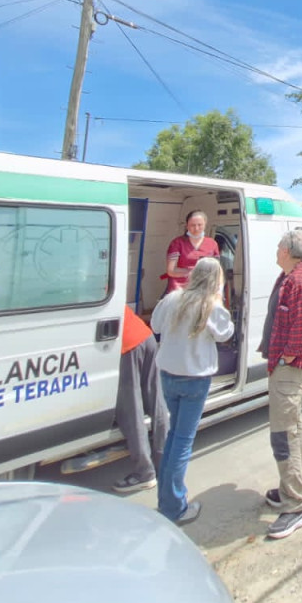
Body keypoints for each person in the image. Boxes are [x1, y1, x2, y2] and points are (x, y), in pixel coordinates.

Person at [150, 258, 234, 524]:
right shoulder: (211, 306)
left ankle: (166, 500)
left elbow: (155, 325)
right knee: (182, 442)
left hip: (168, 376)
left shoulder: (172, 299)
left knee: (173, 437)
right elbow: (226, 333)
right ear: (215, 281)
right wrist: (219, 299)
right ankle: (174, 507)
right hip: (195, 380)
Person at [259, 229, 302, 540]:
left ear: (287, 250)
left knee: (284, 436)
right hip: (286, 365)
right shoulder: (290, 276)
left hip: (289, 368)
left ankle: (295, 506)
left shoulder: (297, 281)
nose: (276, 249)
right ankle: (294, 488)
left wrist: (285, 359)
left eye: (279, 245)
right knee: (292, 428)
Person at [112, 304, 169, 495]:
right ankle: (165, 464)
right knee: (156, 402)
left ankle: (145, 473)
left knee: (131, 409)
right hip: (145, 336)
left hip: (127, 346)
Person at [161, 210, 219, 295]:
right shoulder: (177, 243)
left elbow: (216, 268)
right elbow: (171, 270)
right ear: (187, 226)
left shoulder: (212, 244)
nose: (196, 228)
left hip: (204, 288)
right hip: (179, 289)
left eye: (200, 225)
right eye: (192, 225)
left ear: (205, 224)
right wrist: (194, 273)